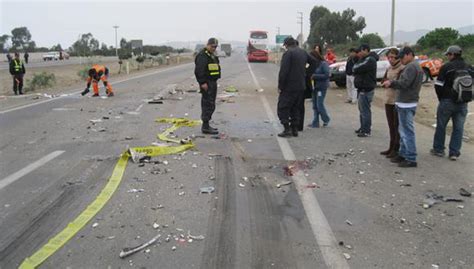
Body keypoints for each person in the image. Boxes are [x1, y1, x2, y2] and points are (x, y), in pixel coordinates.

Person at [383, 46, 423, 168]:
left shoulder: (411, 67)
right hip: (405, 102)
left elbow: (405, 83)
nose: (401, 60)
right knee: (403, 130)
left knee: (406, 132)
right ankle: (403, 154)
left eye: (402, 57)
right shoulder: (413, 66)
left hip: (407, 103)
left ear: (409, 54)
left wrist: (391, 82)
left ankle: (410, 157)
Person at [431, 45, 471, 161]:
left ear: (452, 55)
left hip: (447, 101)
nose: (448, 56)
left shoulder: (446, 67)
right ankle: (454, 152)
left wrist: (441, 98)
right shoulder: (469, 67)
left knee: (441, 125)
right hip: (463, 102)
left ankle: (438, 149)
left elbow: (438, 85)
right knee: (458, 128)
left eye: (448, 54)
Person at [277, 37, 311, 137]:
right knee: (295, 108)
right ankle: (294, 129)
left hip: (289, 87)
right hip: (300, 86)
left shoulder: (288, 53)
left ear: (287, 45)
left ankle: (287, 129)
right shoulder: (303, 52)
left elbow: (284, 72)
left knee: (283, 107)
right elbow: (314, 62)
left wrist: (280, 86)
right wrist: (306, 73)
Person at [380, 48, 404, 158]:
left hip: (397, 100)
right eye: (389, 57)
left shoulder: (402, 68)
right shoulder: (389, 67)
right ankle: (391, 146)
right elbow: (384, 79)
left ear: (398, 57)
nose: (390, 59)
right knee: (391, 125)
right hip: (388, 99)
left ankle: (397, 148)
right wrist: (386, 82)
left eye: (393, 57)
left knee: (396, 125)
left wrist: (390, 83)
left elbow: (400, 83)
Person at [194, 37, 221, 135]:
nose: (214, 48)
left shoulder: (211, 55)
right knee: (207, 104)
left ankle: (207, 125)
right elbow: (199, 70)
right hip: (207, 83)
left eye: (215, 47)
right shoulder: (203, 55)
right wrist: (202, 83)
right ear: (207, 45)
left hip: (212, 82)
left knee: (211, 104)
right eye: (212, 46)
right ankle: (205, 127)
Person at [353, 44, 378, 137]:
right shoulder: (363, 59)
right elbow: (355, 67)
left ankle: (366, 130)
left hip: (366, 88)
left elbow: (356, 68)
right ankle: (362, 127)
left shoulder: (370, 60)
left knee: (365, 110)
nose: (359, 53)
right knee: (361, 110)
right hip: (361, 88)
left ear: (366, 50)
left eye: (360, 51)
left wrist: (356, 67)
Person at [298, 45, 319, 131]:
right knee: (300, 106)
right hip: (304, 85)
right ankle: (299, 125)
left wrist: (306, 72)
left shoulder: (300, 54)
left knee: (298, 105)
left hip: (302, 86)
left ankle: (297, 125)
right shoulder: (302, 54)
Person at [309, 45, 330, 128]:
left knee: (319, 105)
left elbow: (327, 75)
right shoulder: (313, 65)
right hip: (314, 87)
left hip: (321, 87)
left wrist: (314, 76)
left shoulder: (323, 64)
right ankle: (315, 122)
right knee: (314, 105)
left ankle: (326, 119)